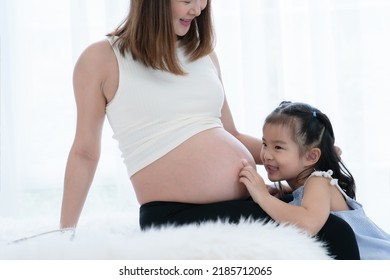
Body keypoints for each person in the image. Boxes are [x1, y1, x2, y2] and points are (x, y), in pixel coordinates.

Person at [60, 0, 360, 259]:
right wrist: (65, 234)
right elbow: (85, 152)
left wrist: (309, 155)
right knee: (336, 234)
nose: (198, 8)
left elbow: (232, 135)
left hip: (241, 201)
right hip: (176, 214)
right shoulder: (101, 59)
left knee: (337, 213)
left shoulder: (202, 54)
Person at [239, 101, 390, 259]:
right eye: (264, 144)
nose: (266, 155)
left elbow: (307, 225)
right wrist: (279, 190)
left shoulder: (319, 181)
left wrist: (262, 197)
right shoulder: (309, 186)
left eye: (278, 147)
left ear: (311, 156)